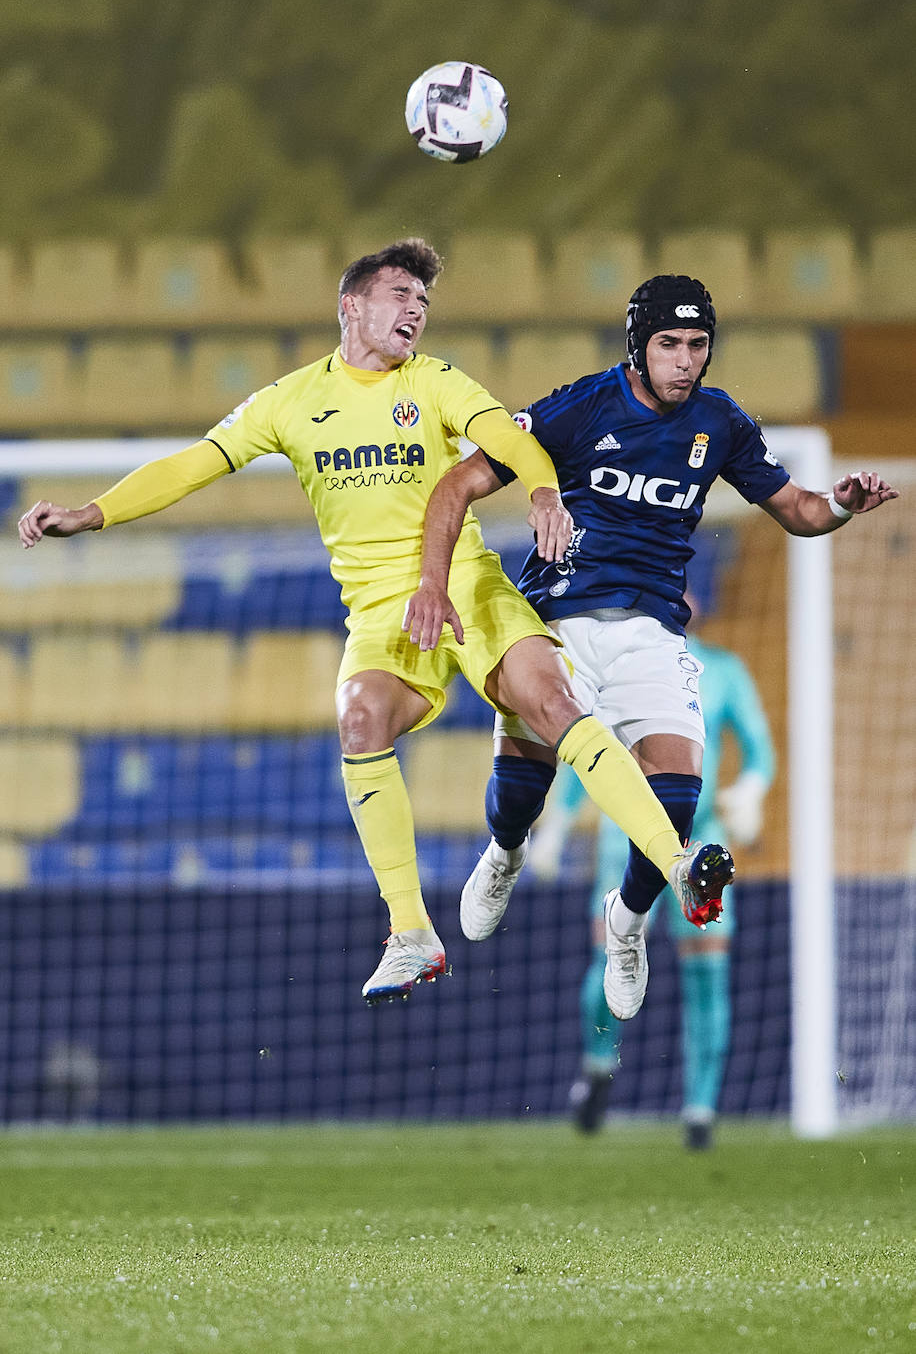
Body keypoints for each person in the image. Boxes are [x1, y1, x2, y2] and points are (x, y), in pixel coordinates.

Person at [18, 242, 721, 1006]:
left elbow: (516, 442)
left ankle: (676, 864)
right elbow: (194, 463)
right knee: (358, 720)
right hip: (384, 612)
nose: (415, 310)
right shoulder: (288, 401)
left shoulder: (436, 381)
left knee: (555, 704)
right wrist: (92, 514)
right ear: (350, 306)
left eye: (423, 300)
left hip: (465, 585)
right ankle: (413, 933)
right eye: (399, 294)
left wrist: (546, 492)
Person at [404, 273, 898, 1026]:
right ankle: (503, 854)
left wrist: (840, 504)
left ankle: (627, 922)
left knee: (677, 795)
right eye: (670, 344)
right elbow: (457, 485)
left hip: (653, 630)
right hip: (556, 621)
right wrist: (433, 585)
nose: (686, 361)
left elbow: (795, 509)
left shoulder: (720, 423)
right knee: (523, 795)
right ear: (639, 344)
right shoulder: (582, 406)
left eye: (698, 345)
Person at [530, 590, 776, 1148]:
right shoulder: (617, 669)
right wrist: (557, 829)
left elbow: (760, 749)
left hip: (702, 838)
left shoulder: (724, 671)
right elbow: (587, 751)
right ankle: (597, 1066)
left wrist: (753, 790)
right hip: (626, 837)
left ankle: (700, 1111)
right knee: (608, 957)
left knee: (706, 971)